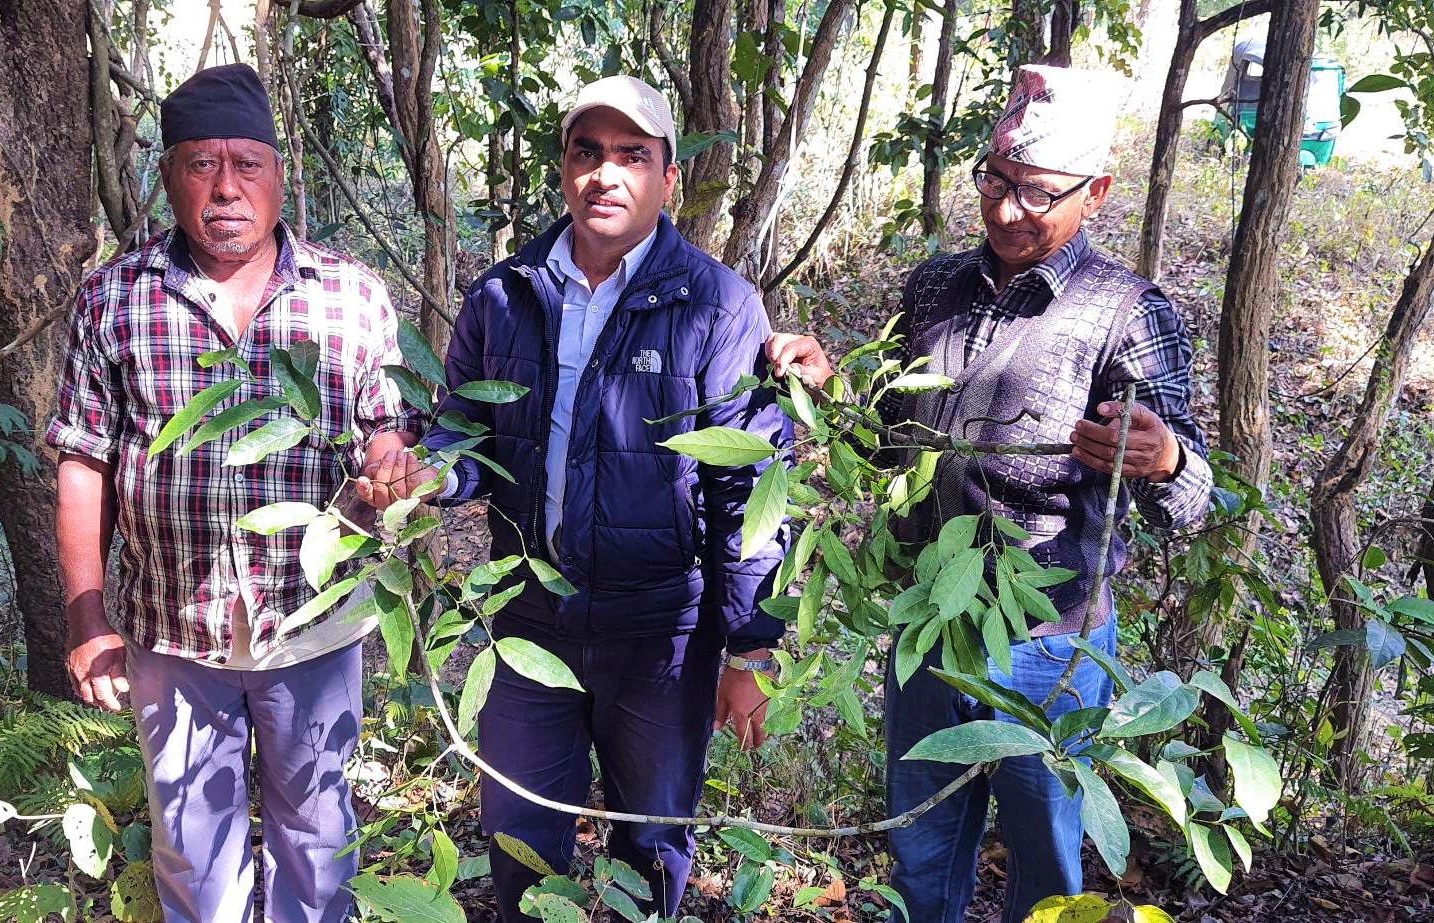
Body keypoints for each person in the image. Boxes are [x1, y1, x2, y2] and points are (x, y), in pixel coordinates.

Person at [768, 64, 1215, 923]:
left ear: (1097, 192)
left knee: (1045, 852)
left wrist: (1160, 462)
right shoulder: (934, 287)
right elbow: (893, 443)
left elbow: (1188, 500)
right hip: (927, 618)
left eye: (1039, 193)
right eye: (997, 182)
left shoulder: (1129, 311)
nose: (1009, 211)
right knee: (923, 840)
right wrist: (831, 390)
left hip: (1047, 643)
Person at [369, 75, 789, 920]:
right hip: (529, 618)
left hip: (660, 630)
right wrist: (429, 473)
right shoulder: (505, 293)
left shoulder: (716, 305)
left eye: (632, 156)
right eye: (587, 152)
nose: (606, 174)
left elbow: (744, 492)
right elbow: (470, 433)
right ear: (563, 168)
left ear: (668, 178)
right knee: (520, 831)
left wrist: (748, 648)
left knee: (654, 837)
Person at [48, 63, 421, 923]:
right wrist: (86, 616)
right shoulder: (117, 298)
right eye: (200, 163)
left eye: (245, 164)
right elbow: (82, 461)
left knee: (319, 843)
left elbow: (385, 427)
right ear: (168, 173)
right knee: (193, 854)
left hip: (314, 622)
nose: (224, 188)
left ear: (278, 174)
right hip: (173, 631)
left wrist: (393, 466)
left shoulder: (350, 295)